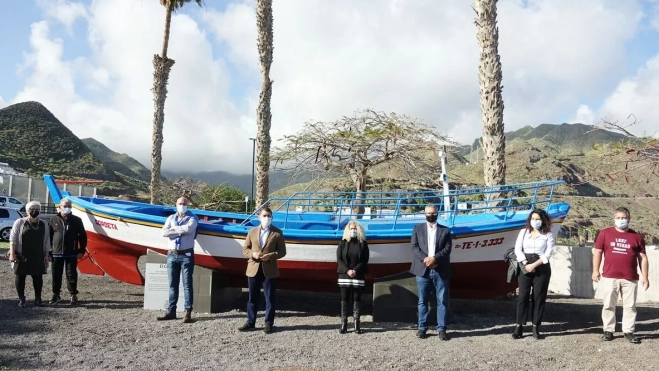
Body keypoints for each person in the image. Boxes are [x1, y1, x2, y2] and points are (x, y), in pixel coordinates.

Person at [592, 207, 649, 344]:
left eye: (623, 218)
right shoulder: (605, 234)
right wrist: (595, 270)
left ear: (629, 219)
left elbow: (643, 258)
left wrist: (645, 276)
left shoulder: (636, 237)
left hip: (630, 278)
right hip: (610, 276)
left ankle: (628, 331)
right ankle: (608, 330)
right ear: (614, 218)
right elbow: (598, 252)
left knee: (630, 306)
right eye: (618, 218)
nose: (621, 220)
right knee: (608, 305)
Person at [238, 207, 287, 334]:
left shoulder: (277, 233)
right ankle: (250, 322)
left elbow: (282, 251)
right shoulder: (252, 231)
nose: (267, 218)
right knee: (252, 298)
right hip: (253, 268)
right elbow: (245, 249)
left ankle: (268, 323)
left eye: (269, 216)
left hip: (269, 269)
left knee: (270, 298)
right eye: (264, 216)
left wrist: (270, 256)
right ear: (259, 217)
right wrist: (253, 254)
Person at [410, 203, 452, 340]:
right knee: (422, 300)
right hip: (423, 270)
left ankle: (442, 329)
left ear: (437, 213)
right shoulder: (417, 228)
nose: (431, 215)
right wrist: (427, 260)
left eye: (433, 213)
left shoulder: (445, 231)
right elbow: (414, 247)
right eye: (428, 213)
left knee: (442, 301)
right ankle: (422, 328)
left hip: (440, 269)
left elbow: (447, 249)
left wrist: (434, 259)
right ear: (424, 214)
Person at [512, 208, 555, 340]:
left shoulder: (548, 235)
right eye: (533, 219)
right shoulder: (524, 232)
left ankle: (536, 326)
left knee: (538, 297)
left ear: (543, 220)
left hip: (541, 266)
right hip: (525, 264)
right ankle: (519, 326)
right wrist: (525, 263)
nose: (535, 221)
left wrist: (534, 265)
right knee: (522, 297)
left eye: (537, 219)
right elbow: (518, 249)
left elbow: (548, 253)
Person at [157, 197, 199, 323]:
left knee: (187, 284)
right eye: (180, 203)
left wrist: (173, 230)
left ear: (188, 204)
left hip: (186, 255)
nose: (182, 205)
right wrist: (178, 230)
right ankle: (171, 311)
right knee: (172, 284)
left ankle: (187, 312)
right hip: (171, 254)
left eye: (184, 203)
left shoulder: (193, 218)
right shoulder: (171, 218)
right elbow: (164, 232)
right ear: (176, 205)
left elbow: (188, 229)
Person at [8, 201, 51, 307]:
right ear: (27, 210)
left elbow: (47, 240)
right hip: (22, 254)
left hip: (38, 254)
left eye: (37, 208)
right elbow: (12, 239)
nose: (34, 210)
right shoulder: (20, 222)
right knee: (20, 276)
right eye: (32, 208)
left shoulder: (43, 223)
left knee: (37, 277)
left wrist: (46, 254)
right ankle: (21, 299)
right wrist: (12, 253)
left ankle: (38, 298)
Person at [48, 197, 87, 305]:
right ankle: (56, 295)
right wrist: (49, 252)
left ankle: (73, 295)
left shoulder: (77, 220)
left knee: (71, 274)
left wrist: (81, 250)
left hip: (71, 252)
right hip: (56, 253)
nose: (67, 208)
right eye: (65, 206)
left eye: (69, 206)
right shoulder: (53, 220)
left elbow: (83, 237)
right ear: (60, 207)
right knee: (56, 275)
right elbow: (48, 237)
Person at [336, 221, 370, 334]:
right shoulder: (342, 243)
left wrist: (355, 270)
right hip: (344, 274)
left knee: (357, 298)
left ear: (359, 230)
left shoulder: (363, 244)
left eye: (355, 229)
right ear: (347, 230)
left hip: (358, 274)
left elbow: (365, 260)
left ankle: (356, 324)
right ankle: (344, 324)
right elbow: (339, 259)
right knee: (344, 298)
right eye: (351, 229)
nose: (353, 231)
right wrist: (347, 270)